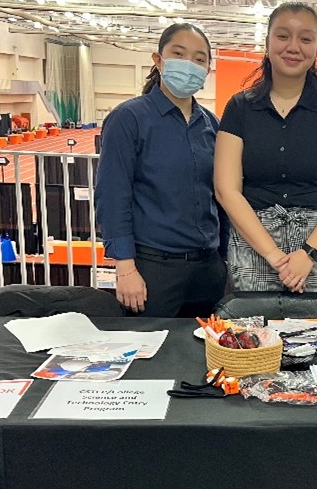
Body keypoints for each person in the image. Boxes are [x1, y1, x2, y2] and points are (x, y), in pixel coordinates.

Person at [214, 2, 317, 296]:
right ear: (267, 43)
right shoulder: (240, 108)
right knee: (255, 336)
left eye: (305, 38)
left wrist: (308, 253)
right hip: (254, 244)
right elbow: (226, 189)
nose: (293, 46)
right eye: (282, 36)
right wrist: (274, 255)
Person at [95, 22, 226, 317]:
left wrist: (224, 260)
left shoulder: (212, 125)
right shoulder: (129, 119)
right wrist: (125, 268)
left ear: (207, 69)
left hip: (208, 268)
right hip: (154, 268)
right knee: (152, 356)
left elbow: (221, 196)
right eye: (179, 54)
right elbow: (112, 195)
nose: (189, 64)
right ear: (158, 60)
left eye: (199, 59)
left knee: (203, 355)